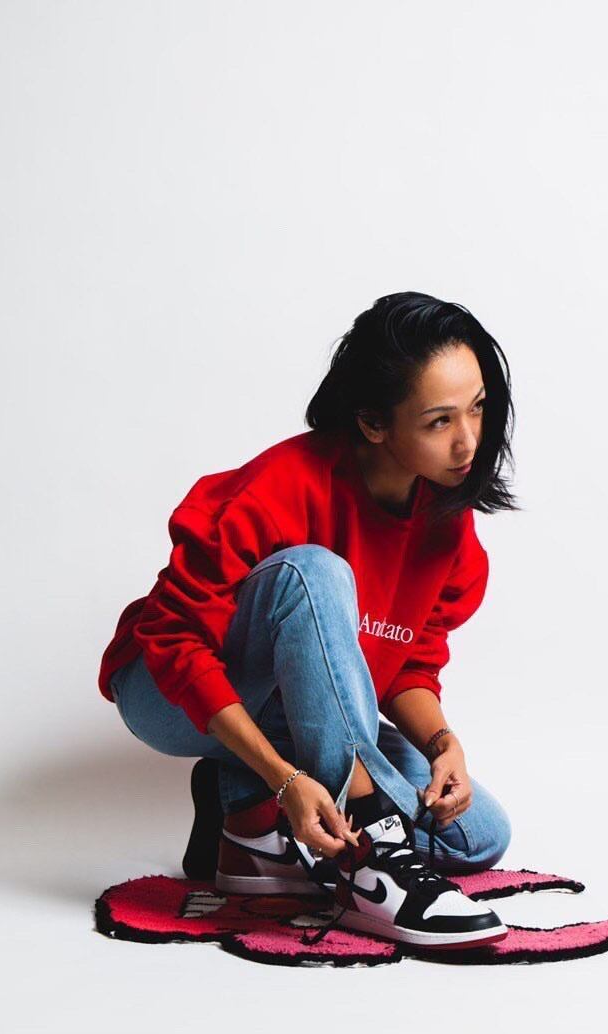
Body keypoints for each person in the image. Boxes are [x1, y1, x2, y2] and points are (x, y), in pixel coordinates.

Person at [98, 290, 520, 948]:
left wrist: (444, 744)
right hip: (169, 693)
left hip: (299, 707)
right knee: (313, 572)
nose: (469, 439)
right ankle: (367, 855)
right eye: (440, 420)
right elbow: (176, 642)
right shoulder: (284, 486)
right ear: (374, 423)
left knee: (478, 835)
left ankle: (245, 820)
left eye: (478, 407)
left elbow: (406, 662)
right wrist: (287, 777)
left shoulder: (446, 524)